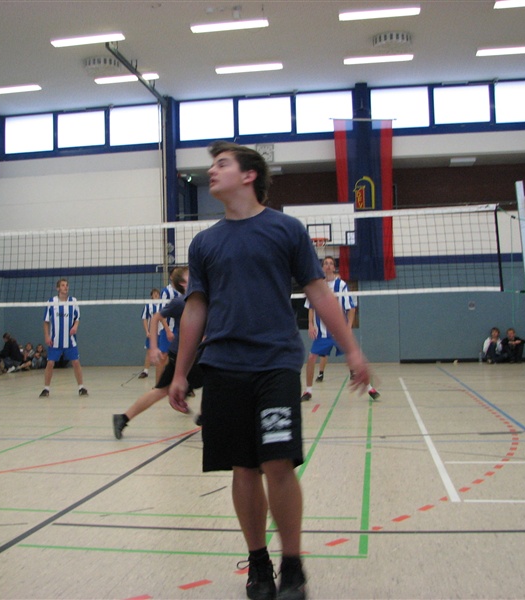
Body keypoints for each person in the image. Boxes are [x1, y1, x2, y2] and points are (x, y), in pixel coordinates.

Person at [169, 141, 371, 600]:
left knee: (278, 463)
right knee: (243, 467)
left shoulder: (286, 229)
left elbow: (319, 293)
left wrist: (353, 351)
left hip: (276, 363)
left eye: (222, 164)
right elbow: (195, 310)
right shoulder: (204, 243)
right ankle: (258, 563)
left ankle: (292, 565)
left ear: (249, 175)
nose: (212, 171)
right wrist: (181, 373)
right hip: (223, 366)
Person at [113, 271, 199, 439]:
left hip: (195, 355)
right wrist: (153, 347)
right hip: (180, 356)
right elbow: (155, 318)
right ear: (183, 284)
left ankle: (188, 398)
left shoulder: (200, 299)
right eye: (189, 275)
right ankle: (122, 418)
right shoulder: (180, 302)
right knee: (161, 391)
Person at [301, 256, 380, 402]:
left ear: (334, 267)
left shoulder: (341, 285)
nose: (328, 266)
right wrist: (310, 324)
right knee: (311, 358)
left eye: (331, 263)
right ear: (322, 267)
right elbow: (311, 307)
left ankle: (369, 387)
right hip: (322, 333)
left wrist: (348, 327)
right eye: (325, 263)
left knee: (355, 358)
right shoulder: (317, 284)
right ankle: (308, 391)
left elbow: (351, 308)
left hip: (338, 332)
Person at [39, 278, 88, 398]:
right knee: (50, 363)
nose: (65, 287)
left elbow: (77, 318)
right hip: (55, 341)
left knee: (76, 362)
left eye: (67, 285)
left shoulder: (73, 301)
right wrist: (47, 336)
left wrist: (75, 326)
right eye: (63, 285)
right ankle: (46, 389)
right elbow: (46, 321)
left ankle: (81, 387)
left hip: (70, 340)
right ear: (58, 288)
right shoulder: (51, 302)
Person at [138, 287, 161, 379]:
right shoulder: (148, 305)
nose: (156, 295)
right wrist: (147, 331)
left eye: (157, 293)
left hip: (161, 332)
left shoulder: (163, 304)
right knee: (149, 351)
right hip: (152, 333)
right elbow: (144, 319)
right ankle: (145, 371)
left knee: (163, 352)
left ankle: (163, 371)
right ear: (151, 296)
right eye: (154, 293)